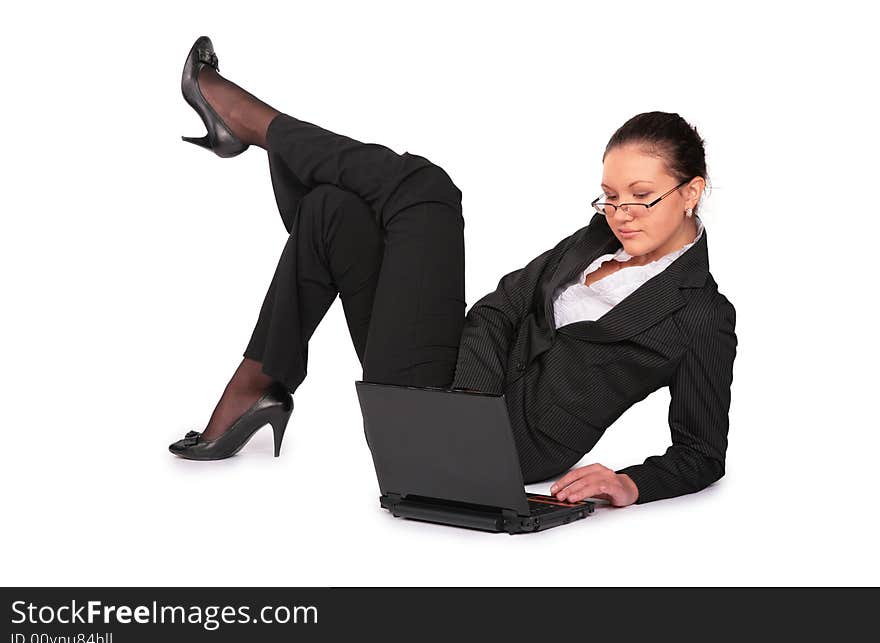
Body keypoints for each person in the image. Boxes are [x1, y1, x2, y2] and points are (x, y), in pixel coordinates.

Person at [169, 37, 738, 509]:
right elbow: (499, 307)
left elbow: (703, 451)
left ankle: (256, 126)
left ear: (691, 192)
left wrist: (630, 484)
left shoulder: (702, 316)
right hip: (450, 393)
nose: (621, 214)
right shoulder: (598, 240)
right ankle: (261, 380)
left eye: (642, 196)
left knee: (428, 190)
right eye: (609, 197)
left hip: (498, 446)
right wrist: (468, 397)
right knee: (332, 214)